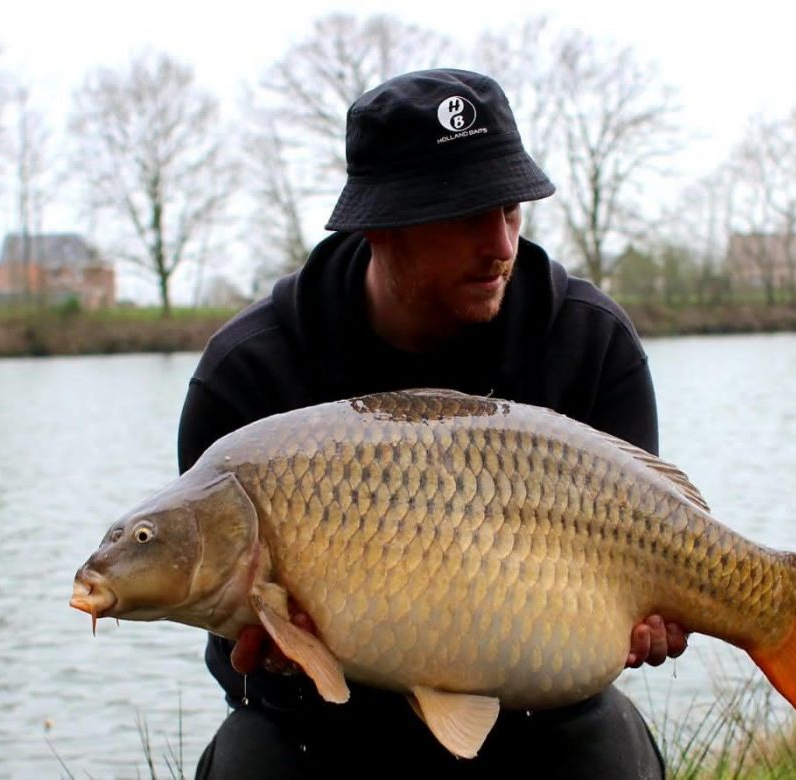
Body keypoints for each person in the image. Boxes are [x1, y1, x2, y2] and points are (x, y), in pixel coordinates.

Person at [178, 68, 688, 779]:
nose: (502, 244)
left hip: (535, 715)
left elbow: (637, 582)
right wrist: (279, 657)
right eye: (465, 215)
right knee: (249, 760)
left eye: (511, 208)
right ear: (380, 226)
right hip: (320, 724)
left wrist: (649, 619)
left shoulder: (590, 343)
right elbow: (234, 639)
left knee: (608, 749)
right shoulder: (248, 374)